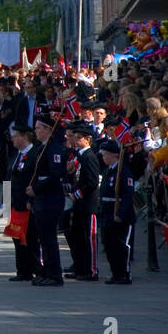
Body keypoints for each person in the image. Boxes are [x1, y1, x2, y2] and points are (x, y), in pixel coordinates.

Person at [29, 111, 66, 286]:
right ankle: (46, 271)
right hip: (40, 200)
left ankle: (54, 274)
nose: (35, 131)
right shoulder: (41, 148)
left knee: (49, 239)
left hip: (50, 199)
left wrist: (35, 188)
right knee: (43, 239)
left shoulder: (53, 148)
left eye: (38, 128)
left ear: (47, 129)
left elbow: (54, 174)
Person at [64, 120, 101, 281]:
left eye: (79, 138)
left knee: (88, 239)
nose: (76, 140)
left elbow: (92, 181)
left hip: (88, 204)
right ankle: (80, 268)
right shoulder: (80, 156)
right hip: (79, 205)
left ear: (87, 139)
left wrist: (77, 194)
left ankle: (91, 270)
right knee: (78, 238)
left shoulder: (89, 156)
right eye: (75, 137)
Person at [97, 136, 135, 285]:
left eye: (105, 154)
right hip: (107, 211)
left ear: (114, 155)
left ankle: (124, 273)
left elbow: (127, 195)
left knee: (120, 245)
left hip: (119, 212)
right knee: (109, 244)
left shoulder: (123, 171)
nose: (103, 156)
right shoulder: (108, 171)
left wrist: (120, 213)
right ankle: (115, 273)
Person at [8, 120, 40, 282]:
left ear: (24, 137)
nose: (13, 139)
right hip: (16, 203)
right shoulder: (16, 155)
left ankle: (36, 269)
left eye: (15, 136)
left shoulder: (34, 154)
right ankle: (22, 270)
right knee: (17, 237)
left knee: (31, 238)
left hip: (28, 203)